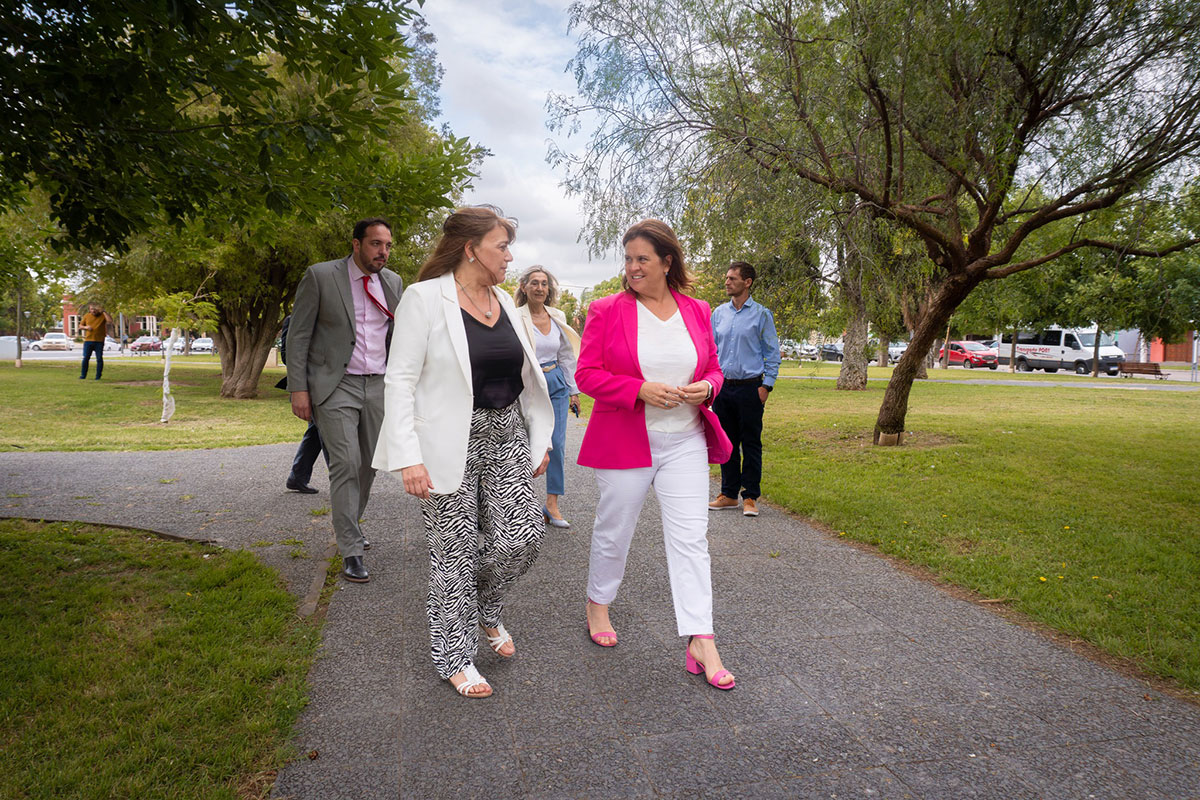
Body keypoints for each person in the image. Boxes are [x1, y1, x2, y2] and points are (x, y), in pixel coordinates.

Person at [373, 205, 554, 699]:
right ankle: (454, 656)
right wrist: (408, 455)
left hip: (506, 435)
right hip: (445, 442)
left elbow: (529, 382)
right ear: (472, 249)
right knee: (453, 553)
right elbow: (401, 379)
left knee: (521, 540)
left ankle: (487, 609)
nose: (509, 257)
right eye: (502, 246)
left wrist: (542, 438)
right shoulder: (424, 298)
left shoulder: (507, 306)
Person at [576, 219, 736, 691]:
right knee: (615, 528)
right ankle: (597, 603)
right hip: (627, 438)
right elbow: (587, 375)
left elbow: (713, 367)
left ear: (668, 262)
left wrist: (708, 386)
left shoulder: (697, 309)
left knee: (691, 539)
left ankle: (701, 639)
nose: (632, 268)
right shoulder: (605, 309)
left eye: (642, 259)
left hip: (685, 440)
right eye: (627, 259)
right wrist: (639, 389)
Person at [287, 218, 402, 583]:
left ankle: (350, 524)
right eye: (375, 244)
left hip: (379, 385)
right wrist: (299, 388)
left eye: (387, 245)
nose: (382, 252)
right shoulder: (321, 276)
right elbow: (299, 335)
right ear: (356, 244)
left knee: (369, 463)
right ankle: (350, 549)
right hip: (335, 385)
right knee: (346, 463)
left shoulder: (394, 283)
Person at [708, 261, 781, 517]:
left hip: (751, 388)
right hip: (723, 389)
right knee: (726, 443)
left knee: (750, 443)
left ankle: (750, 496)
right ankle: (728, 494)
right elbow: (710, 351)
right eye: (726, 278)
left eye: (732, 278)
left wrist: (766, 386)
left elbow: (772, 353)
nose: (727, 282)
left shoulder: (762, 315)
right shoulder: (718, 314)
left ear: (747, 282)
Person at [513, 265, 581, 528]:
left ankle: (551, 503)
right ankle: (520, 504)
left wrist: (573, 390)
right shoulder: (515, 316)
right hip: (528, 385)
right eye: (534, 283)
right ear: (524, 287)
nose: (540, 288)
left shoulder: (557, 316)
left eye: (544, 283)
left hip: (556, 383)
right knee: (524, 445)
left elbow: (565, 355)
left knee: (557, 445)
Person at [276, 314, 328, 494]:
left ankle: (297, 477)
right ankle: (342, 481)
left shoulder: (331, 318)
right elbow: (287, 356)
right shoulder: (294, 319)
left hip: (332, 386)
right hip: (310, 388)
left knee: (316, 432)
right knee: (329, 434)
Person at [79, 302, 112, 380]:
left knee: (99, 359)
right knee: (86, 358)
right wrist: (86, 327)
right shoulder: (87, 316)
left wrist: (104, 311)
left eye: (95, 309)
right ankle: (83, 375)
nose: (93, 311)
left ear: (98, 309)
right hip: (88, 340)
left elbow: (110, 321)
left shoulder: (103, 316)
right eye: (91, 309)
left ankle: (98, 376)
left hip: (99, 341)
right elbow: (80, 326)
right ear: (89, 310)